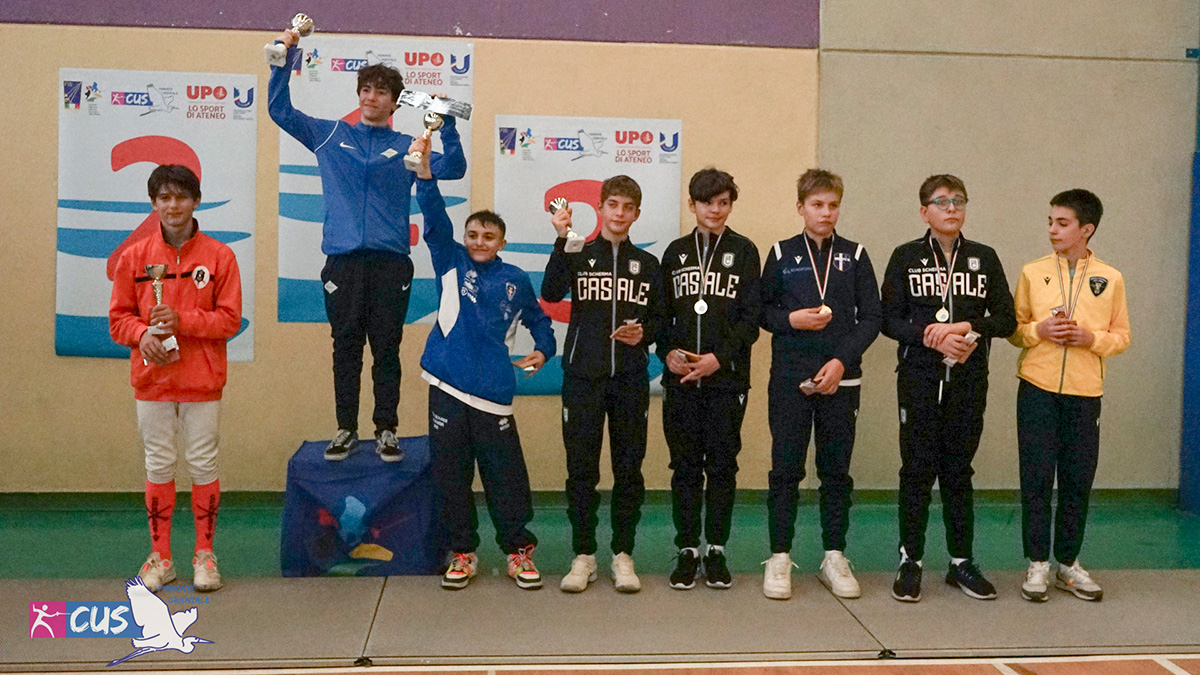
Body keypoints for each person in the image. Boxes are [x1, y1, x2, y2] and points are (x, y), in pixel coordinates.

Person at [267, 28, 466, 463]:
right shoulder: (328, 135)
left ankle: (386, 430)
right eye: (366, 89)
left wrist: (447, 122)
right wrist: (286, 56)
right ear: (358, 95)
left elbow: (455, 167)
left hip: (391, 264)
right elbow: (279, 110)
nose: (371, 97)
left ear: (395, 103)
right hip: (342, 263)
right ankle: (345, 429)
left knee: (387, 349)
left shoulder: (409, 146)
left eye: (381, 92)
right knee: (345, 348)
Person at [409, 138, 556, 591]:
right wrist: (425, 177)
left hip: (493, 394)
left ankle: (518, 551)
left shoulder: (515, 278)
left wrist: (544, 349)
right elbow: (435, 218)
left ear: (502, 242)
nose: (478, 242)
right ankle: (462, 552)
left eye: (488, 237)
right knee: (451, 477)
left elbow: (540, 321)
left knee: (505, 478)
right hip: (447, 387)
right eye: (472, 234)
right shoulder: (450, 261)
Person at [880, 174, 1015, 602]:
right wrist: (929, 336)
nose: (951, 208)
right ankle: (911, 560)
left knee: (959, 471)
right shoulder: (905, 256)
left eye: (958, 200)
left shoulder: (984, 257)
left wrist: (966, 327)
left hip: (968, 380)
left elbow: (1007, 320)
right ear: (925, 212)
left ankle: (961, 562)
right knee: (916, 470)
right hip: (919, 378)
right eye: (941, 202)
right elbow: (888, 320)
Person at [109, 165, 243, 593]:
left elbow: (230, 320)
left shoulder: (220, 257)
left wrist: (182, 319)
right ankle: (160, 557)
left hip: (202, 381)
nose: (173, 206)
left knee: (203, 464)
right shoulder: (133, 258)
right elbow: (118, 320)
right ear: (153, 204)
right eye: (164, 198)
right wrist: (142, 334)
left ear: (196, 201)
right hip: (152, 381)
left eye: (181, 197)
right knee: (158, 464)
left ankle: (205, 554)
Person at [759, 169, 881, 600]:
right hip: (790, 379)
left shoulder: (856, 255)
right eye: (817, 205)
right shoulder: (780, 253)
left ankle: (834, 555)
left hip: (840, 379)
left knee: (835, 472)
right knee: (785, 470)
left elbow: (872, 317)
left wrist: (840, 362)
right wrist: (790, 319)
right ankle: (779, 556)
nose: (826, 213)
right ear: (801, 208)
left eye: (832, 205)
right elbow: (761, 312)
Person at [541, 176, 663, 593]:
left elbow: (660, 319)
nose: (619, 213)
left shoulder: (648, 264)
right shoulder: (579, 251)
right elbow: (550, 292)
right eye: (613, 204)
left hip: (630, 380)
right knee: (581, 471)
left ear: (637, 213)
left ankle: (623, 554)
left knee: (628, 470)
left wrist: (644, 333)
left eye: (628, 207)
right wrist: (562, 241)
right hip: (582, 378)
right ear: (600, 207)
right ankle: (584, 555)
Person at [1009, 189, 1129, 602]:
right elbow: (1014, 329)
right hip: (1037, 389)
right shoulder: (1033, 272)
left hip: (1085, 394)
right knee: (1036, 479)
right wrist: (1038, 331)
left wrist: (1091, 339)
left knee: (1077, 481)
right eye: (1050, 222)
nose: (1052, 230)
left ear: (1086, 229)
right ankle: (1037, 563)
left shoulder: (1110, 278)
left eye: (1062, 223)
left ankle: (1068, 564)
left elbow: (1122, 336)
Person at [658, 167, 761, 590]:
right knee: (684, 468)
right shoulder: (674, 252)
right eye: (707, 203)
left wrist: (720, 358)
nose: (715, 210)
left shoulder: (745, 251)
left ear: (730, 205)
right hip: (682, 382)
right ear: (692, 204)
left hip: (726, 381)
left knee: (721, 467)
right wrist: (666, 352)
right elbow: (660, 316)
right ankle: (687, 548)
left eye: (723, 203)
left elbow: (751, 319)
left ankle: (716, 549)